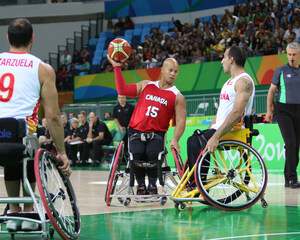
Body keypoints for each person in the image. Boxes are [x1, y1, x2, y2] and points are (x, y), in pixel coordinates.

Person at [0, 18, 70, 231]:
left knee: (11, 149)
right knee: (29, 145)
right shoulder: (42, 69)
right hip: (23, 138)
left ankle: (13, 212)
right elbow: (53, 117)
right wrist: (62, 152)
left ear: (7, 38)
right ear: (32, 38)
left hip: (0, 137)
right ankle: (29, 208)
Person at [107, 54, 186, 195]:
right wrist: (117, 67)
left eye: (176, 71)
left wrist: (175, 139)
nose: (173, 74)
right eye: (170, 70)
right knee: (136, 155)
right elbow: (123, 90)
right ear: (162, 69)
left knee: (152, 155)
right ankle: (141, 185)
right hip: (135, 131)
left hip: (157, 134)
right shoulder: (146, 85)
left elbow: (181, 122)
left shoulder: (177, 96)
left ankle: (152, 185)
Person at [187, 46, 254, 187]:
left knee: (195, 142)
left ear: (231, 60)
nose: (221, 61)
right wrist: (209, 131)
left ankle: (197, 185)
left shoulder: (244, 81)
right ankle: (197, 183)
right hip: (221, 128)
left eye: (223, 57)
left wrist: (215, 136)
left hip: (232, 130)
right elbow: (220, 112)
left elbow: (236, 113)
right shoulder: (228, 82)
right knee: (194, 139)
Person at [266, 42, 300, 188]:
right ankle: (292, 178)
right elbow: (271, 91)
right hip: (283, 110)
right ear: (286, 55)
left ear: (299, 55)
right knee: (291, 142)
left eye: (294, 54)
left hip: (299, 109)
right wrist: (269, 110)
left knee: (295, 146)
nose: (291, 57)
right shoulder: (280, 70)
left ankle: (288, 178)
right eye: (289, 54)